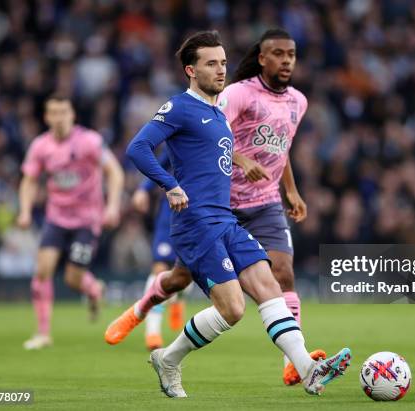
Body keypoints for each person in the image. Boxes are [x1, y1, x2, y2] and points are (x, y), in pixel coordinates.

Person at [122, 30, 350, 398]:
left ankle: (307, 368)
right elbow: (139, 147)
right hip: (196, 224)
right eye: (211, 63)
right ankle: (169, 359)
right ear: (190, 70)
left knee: (269, 285)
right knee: (233, 309)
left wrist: (286, 186)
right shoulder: (180, 107)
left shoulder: (217, 112)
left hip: (224, 219)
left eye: (224, 62)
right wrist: (170, 185)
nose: (220, 69)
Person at [18, 94, 124, 350]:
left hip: (87, 220)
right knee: (42, 271)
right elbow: (29, 180)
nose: (59, 118)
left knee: (72, 278)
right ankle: (43, 333)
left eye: (63, 112)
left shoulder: (90, 141)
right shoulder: (40, 146)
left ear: (72, 115)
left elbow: (115, 172)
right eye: (54, 113)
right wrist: (24, 210)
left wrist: (112, 206)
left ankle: (93, 289)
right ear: (46, 117)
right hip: (56, 218)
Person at [131, 148, 190, 350]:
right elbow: (159, 164)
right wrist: (143, 189)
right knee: (160, 268)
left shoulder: (216, 136)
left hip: (200, 214)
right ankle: (153, 332)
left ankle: (178, 299)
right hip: (171, 213)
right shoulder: (178, 138)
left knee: (188, 271)